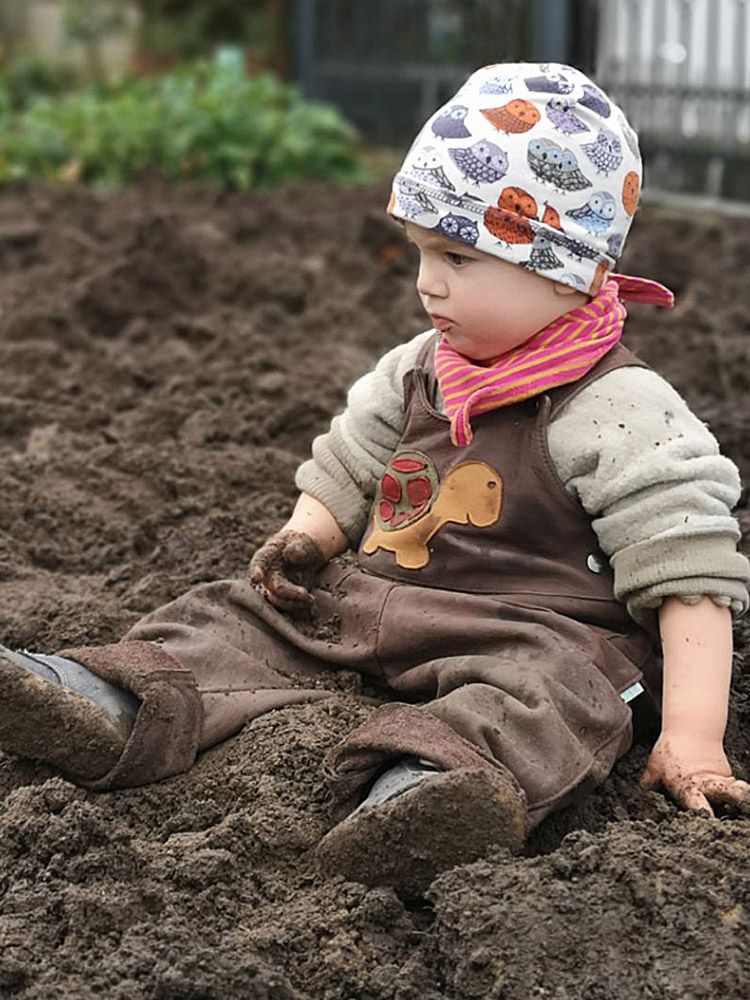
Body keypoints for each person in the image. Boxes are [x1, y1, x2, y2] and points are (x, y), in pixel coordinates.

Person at [1, 62, 749, 895]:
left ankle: (425, 795)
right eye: (424, 252)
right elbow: (350, 462)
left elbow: (691, 573)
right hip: (377, 602)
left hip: (533, 632)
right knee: (234, 614)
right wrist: (308, 534)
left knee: (550, 699)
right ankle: (113, 700)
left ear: (566, 270)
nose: (428, 282)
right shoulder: (419, 368)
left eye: (459, 258)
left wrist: (690, 734)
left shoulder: (621, 407)